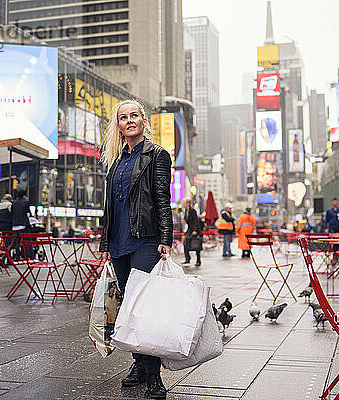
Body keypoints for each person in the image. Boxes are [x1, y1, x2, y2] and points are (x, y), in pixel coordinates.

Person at [98, 99, 172, 399]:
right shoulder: (115, 162)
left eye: (134, 115)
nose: (129, 120)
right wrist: (105, 244)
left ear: (144, 121)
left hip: (145, 240)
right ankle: (139, 365)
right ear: (118, 125)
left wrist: (166, 237)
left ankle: (155, 375)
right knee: (129, 307)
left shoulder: (157, 155)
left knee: (146, 308)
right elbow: (110, 207)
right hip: (118, 244)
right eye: (123, 117)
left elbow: (162, 199)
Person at [182, 197, 202, 266]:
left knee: (196, 244)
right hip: (189, 229)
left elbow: (195, 222)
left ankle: (198, 260)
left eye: (184, 203)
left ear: (187, 203)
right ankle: (187, 258)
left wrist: (194, 230)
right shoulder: (186, 211)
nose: (183, 204)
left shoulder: (192, 211)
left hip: (193, 230)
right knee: (185, 243)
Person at [12, 189, 31, 259]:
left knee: (16, 242)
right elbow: (28, 214)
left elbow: (12, 213)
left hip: (15, 225)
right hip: (23, 225)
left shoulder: (14, 202)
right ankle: (28, 256)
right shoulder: (26, 202)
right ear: (24, 195)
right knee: (27, 241)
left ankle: (17, 256)